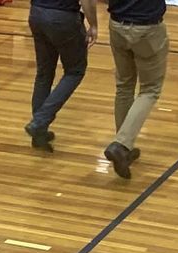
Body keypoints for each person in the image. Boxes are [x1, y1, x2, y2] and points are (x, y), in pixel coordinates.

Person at [103, 0, 169, 178]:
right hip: (147, 29)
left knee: (124, 85)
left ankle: (124, 145)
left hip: (117, 24)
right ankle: (122, 144)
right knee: (150, 89)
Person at [25, 0, 98, 149]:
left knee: (44, 73)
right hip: (63, 17)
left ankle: (39, 132)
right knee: (75, 71)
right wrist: (94, 25)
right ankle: (39, 121)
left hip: (37, 13)